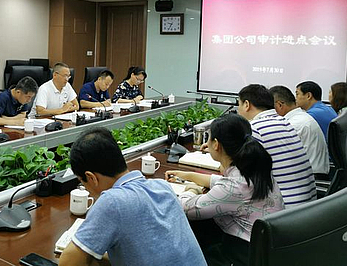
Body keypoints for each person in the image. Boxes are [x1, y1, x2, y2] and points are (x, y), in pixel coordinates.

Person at [59, 127, 206, 266]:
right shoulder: (162, 186)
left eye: (82, 182)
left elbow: (67, 263)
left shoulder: (112, 202)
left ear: (91, 178)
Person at [166, 113, 284, 266]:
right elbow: (223, 183)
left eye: (209, 138)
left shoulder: (234, 187)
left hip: (243, 255)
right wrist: (187, 175)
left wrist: (191, 190)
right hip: (267, 249)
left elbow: (187, 209)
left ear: (216, 144)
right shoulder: (255, 168)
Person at [237, 84, 316, 206]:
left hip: (286, 208)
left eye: (239, 105)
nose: (238, 111)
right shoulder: (284, 122)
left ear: (247, 104)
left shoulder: (255, 128)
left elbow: (239, 176)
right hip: (307, 205)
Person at [270, 85, 329, 176]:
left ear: (279, 105)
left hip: (310, 177)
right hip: (311, 174)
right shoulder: (301, 117)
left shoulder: (292, 125)